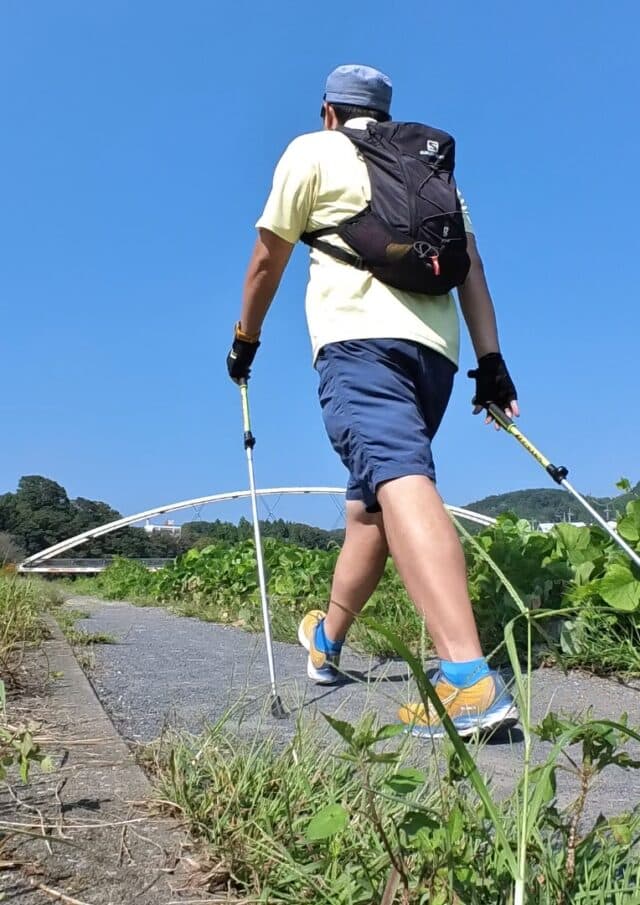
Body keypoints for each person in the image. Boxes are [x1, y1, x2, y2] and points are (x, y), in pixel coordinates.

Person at [227, 64, 520, 738]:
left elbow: (266, 260)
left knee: (398, 477)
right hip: (435, 358)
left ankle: (468, 678)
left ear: (329, 111)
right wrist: (492, 363)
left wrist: (245, 340)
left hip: (358, 345)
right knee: (368, 506)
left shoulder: (312, 150)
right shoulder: (430, 175)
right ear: (385, 116)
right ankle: (327, 641)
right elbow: (470, 271)